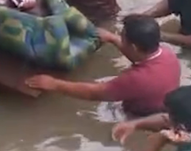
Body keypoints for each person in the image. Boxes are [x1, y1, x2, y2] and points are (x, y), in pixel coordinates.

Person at [25, 14, 180, 116]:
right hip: (163, 107)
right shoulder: (168, 54)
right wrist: (113, 38)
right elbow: (139, 57)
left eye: (122, 37)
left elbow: (94, 93)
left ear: (134, 47)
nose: (120, 39)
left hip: (141, 116)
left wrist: (55, 84)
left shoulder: (135, 79)